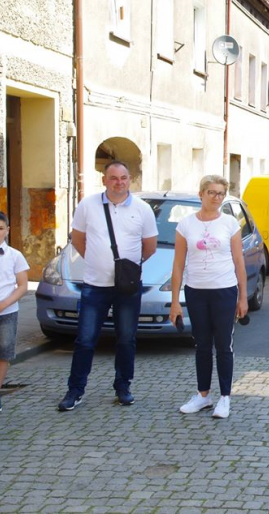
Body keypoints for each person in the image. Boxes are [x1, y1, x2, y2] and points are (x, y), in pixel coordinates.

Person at [57, 161, 158, 411]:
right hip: (94, 284)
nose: (119, 182)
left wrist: (129, 269)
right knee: (85, 339)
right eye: (113, 178)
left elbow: (150, 246)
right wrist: (96, 260)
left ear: (130, 179)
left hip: (128, 287)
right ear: (104, 180)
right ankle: (75, 390)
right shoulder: (88, 205)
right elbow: (78, 239)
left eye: (123, 177)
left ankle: (123, 387)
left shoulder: (143, 209)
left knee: (126, 339)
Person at [170, 175, 248, 419]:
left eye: (221, 194)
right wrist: (175, 302)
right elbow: (178, 265)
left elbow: (239, 261)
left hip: (224, 290)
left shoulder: (229, 224)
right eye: (212, 192)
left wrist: (243, 297)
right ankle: (203, 395)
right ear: (201, 194)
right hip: (196, 291)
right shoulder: (185, 225)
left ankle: (225, 397)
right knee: (202, 345)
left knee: (224, 345)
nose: (216, 197)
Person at [0, 211, 29, 413]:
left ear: (7, 231)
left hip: (6, 313)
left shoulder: (15, 256)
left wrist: (3, 304)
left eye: (0, 228)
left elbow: (22, 285)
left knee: (3, 353)